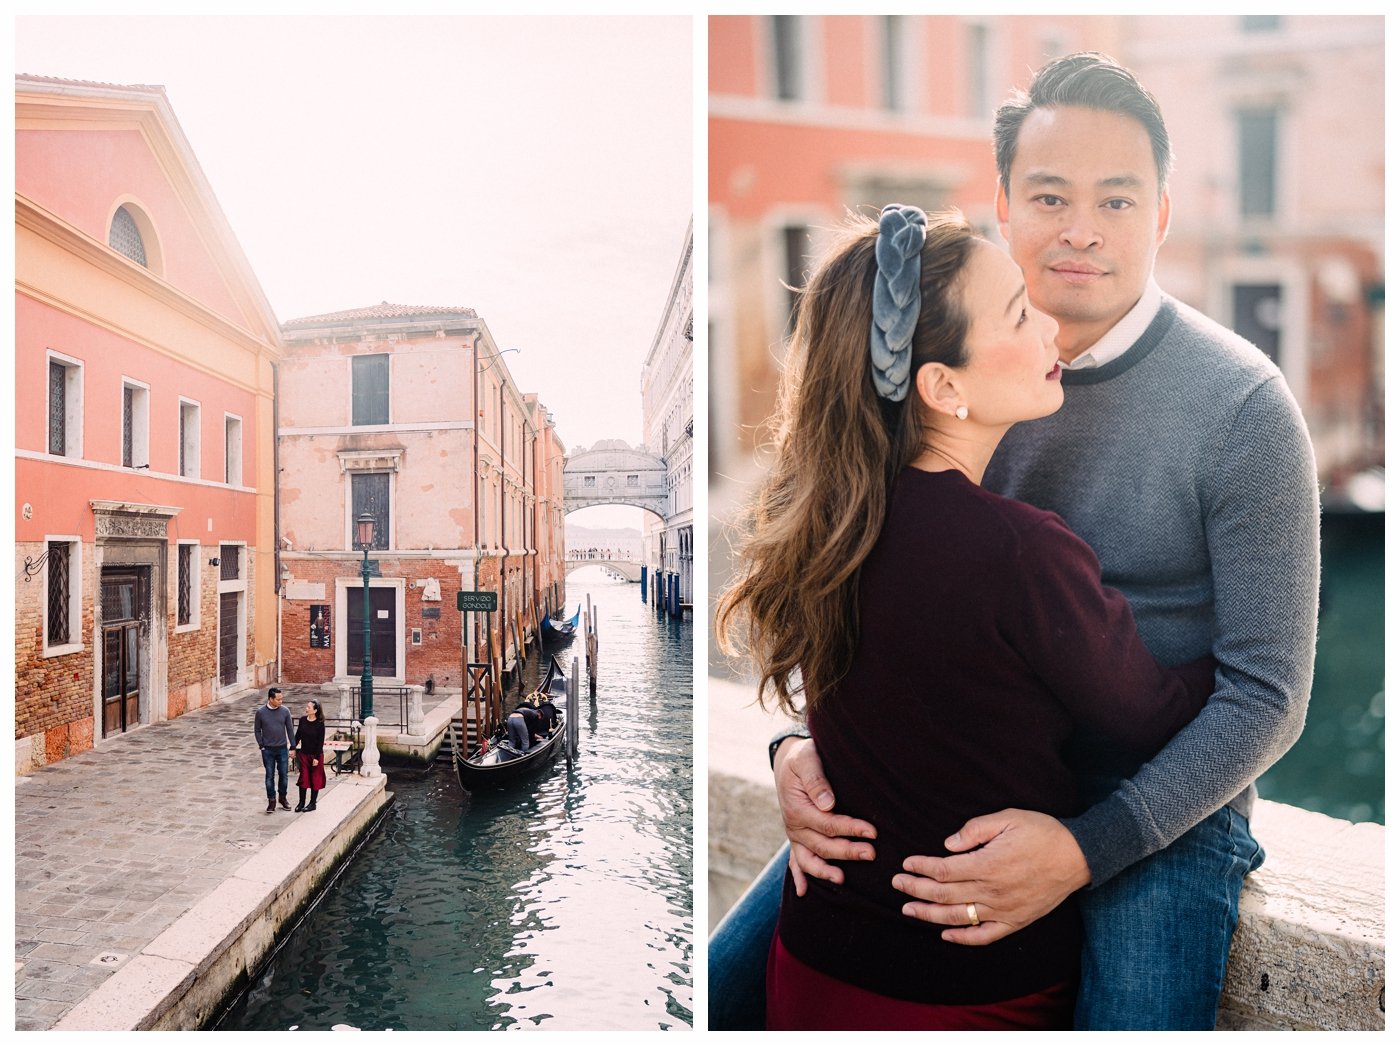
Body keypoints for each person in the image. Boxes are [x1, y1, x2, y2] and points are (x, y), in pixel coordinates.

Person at [711, 52, 1319, 1031]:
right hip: (945, 776)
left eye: (1116, 201)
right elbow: (844, 570)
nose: (1079, 229)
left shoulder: (1242, 409)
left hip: (1154, 801)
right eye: (1048, 195)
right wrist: (795, 745)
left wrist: (1086, 845)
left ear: (1160, 213)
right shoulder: (951, 371)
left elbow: (1266, 695)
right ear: (1003, 206)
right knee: (713, 996)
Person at [254, 687, 295, 813]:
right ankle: (271, 801)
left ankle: (282, 798)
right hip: (267, 750)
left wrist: (293, 747)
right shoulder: (260, 712)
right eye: (278, 699)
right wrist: (261, 745)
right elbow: (257, 730)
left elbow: (290, 730)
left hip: (282, 749)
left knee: (284, 775)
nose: (281, 701)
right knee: (269, 776)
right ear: (270, 699)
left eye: (281, 699)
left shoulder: (285, 711)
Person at [294, 700, 326, 812]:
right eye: (307, 706)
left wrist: (317, 758)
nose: (306, 708)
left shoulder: (320, 724)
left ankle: (312, 804)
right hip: (304, 754)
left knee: (315, 779)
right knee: (303, 778)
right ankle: (301, 803)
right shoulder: (302, 720)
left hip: (315, 756)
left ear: (315, 710)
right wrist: (292, 748)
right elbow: (297, 736)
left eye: (309, 707)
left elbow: (320, 742)